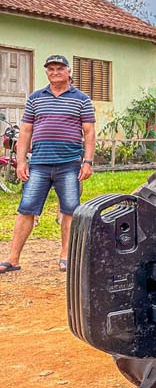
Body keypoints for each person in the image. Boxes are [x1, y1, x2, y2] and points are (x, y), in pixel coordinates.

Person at [0, 55, 95, 275]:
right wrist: (21, 161)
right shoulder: (35, 98)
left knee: (69, 210)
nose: (55, 72)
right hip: (39, 164)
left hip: (69, 164)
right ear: (47, 72)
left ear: (69, 72)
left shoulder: (81, 99)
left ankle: (65, 255)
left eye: (59, 68)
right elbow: (25, 131)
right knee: (26, 209)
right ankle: (12, 258)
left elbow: (89, 133)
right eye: (50, 69)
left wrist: (88, 162)